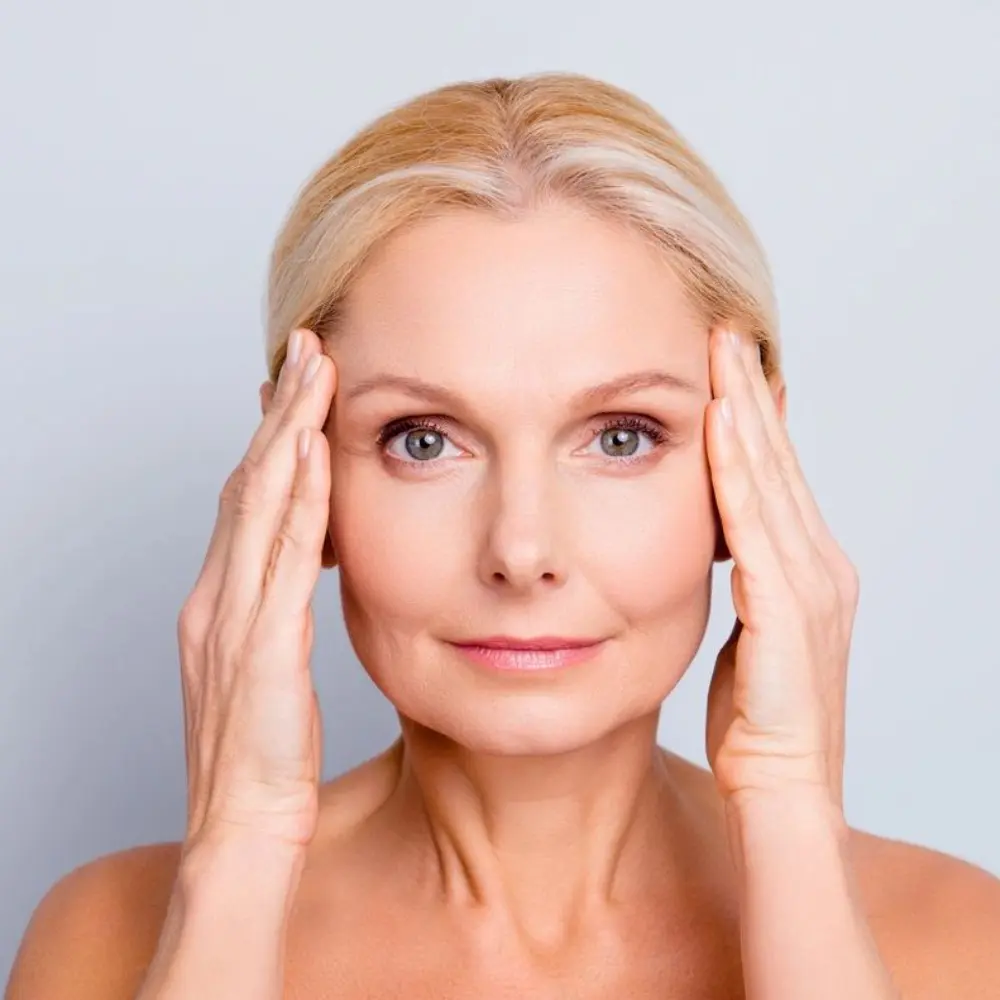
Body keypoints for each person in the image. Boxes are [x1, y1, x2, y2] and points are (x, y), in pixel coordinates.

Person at [6, 72, 1000, 1000]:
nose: (521, 552)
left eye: (621, 437)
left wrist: (790, 817)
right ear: (292, 466)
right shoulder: (109, 940)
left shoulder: (956, 941)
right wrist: (237, 847)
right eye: (424, 440)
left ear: (750, 464)